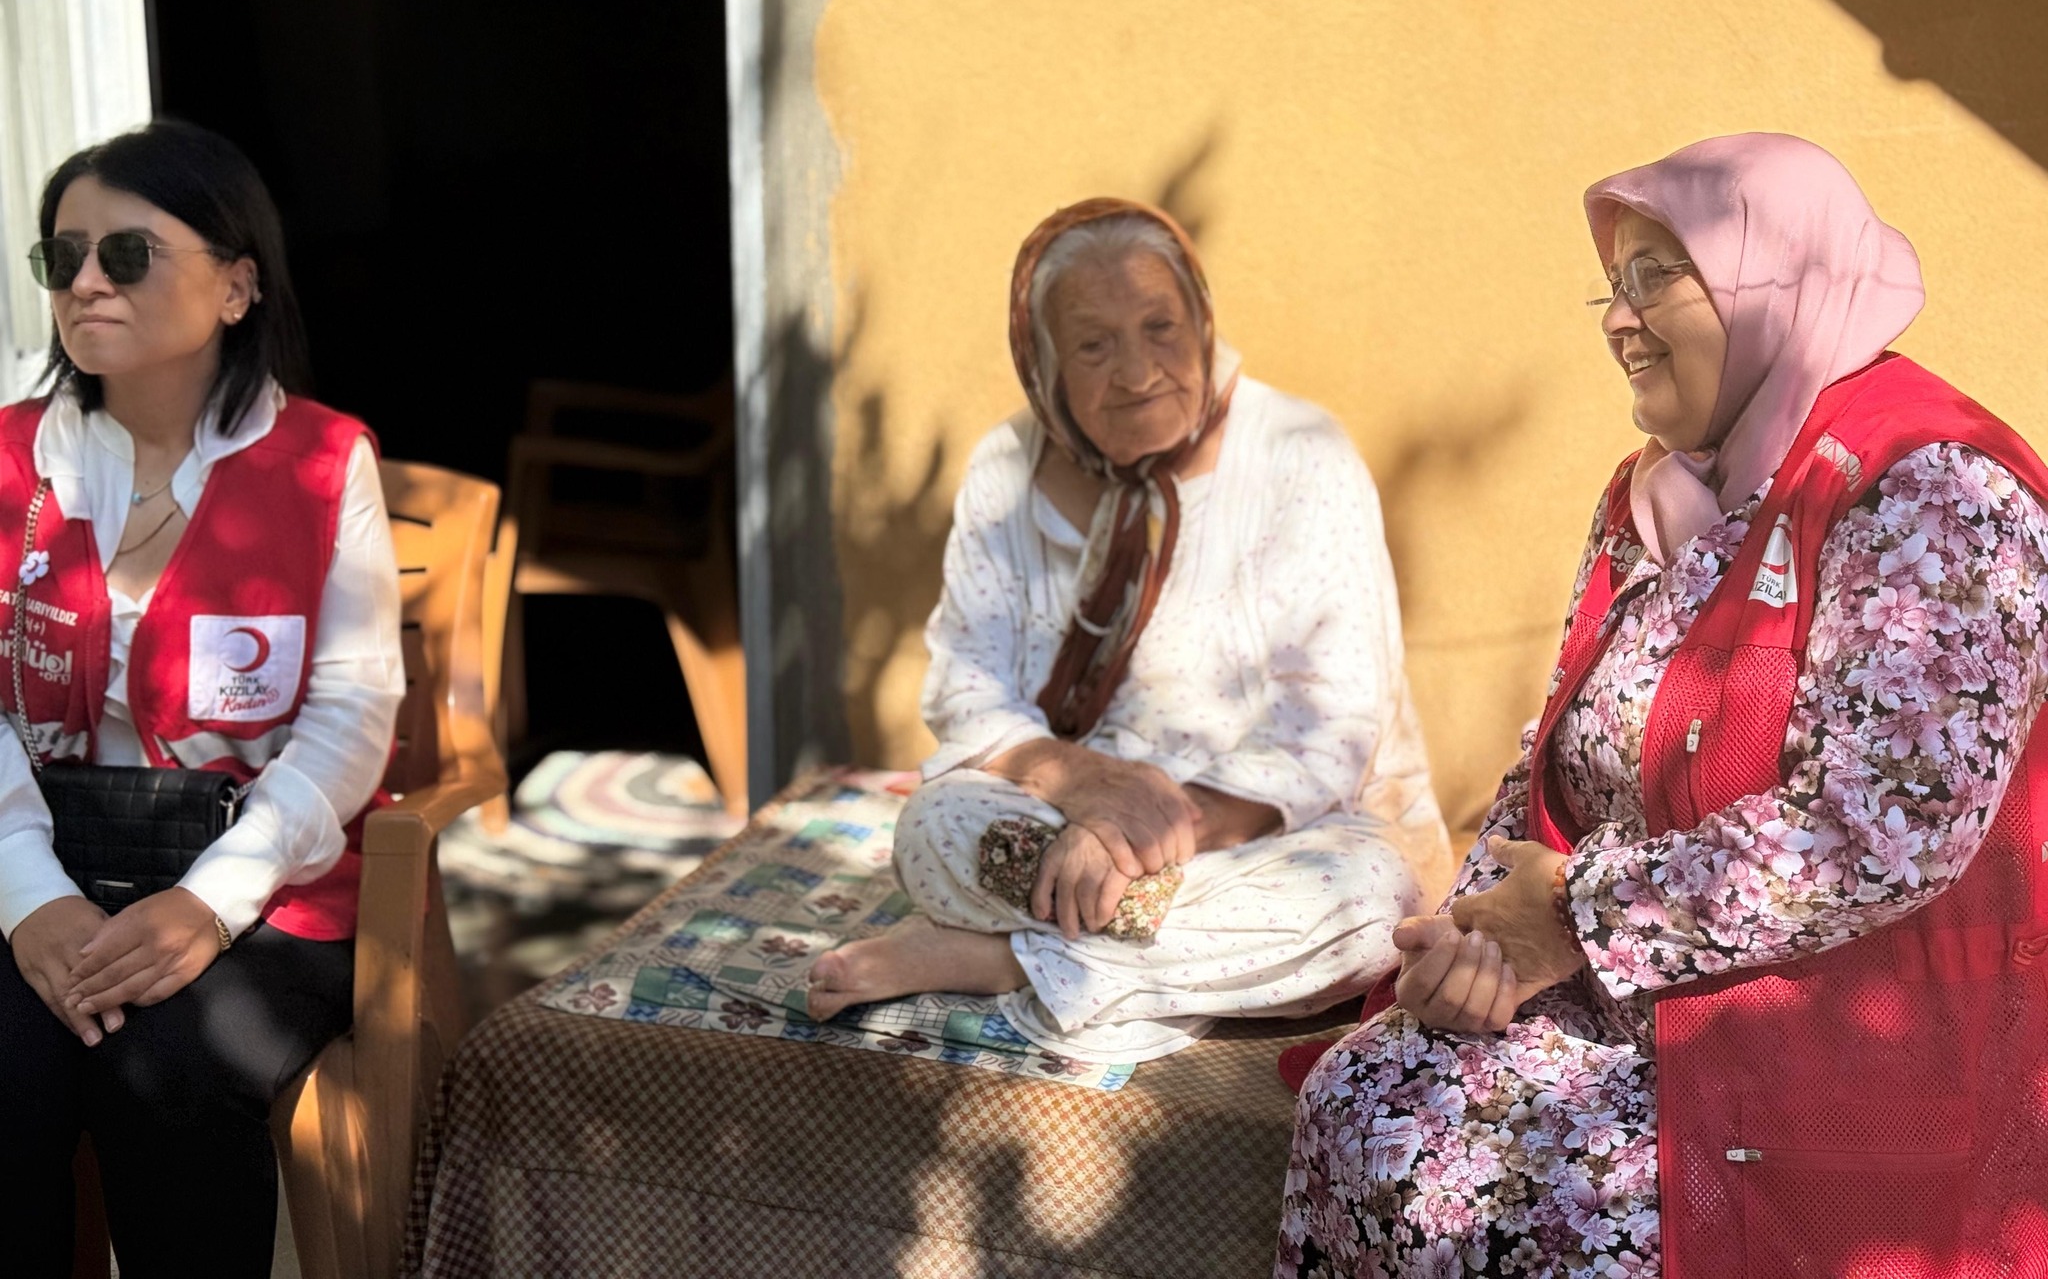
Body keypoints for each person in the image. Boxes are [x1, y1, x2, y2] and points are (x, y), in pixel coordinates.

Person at [1276, 133, 2048, 1277]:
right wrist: (1475, 934)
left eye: (1654, 277)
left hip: (1820, 1049)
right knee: (1365, 1100)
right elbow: (1549, 756)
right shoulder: (1657, 494)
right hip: (1628, 1005)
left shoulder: (1931, 488)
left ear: (1768, 280)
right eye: (1611, 283)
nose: (1618, 320)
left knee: (1491, 1201)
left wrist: (1577, 918)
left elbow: (1884, 829)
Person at [807, 197, 1449, 1062]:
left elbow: (1327, 726)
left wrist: (1146, 834)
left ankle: (1003, 959)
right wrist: (1079, 783)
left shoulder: (1302, 454)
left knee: (1368, 906)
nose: (1139, 371)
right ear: (1042, 361)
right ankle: (1134, 957)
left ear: (1203, 321)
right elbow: (966, 687)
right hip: (1068, 826)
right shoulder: (1007, 470)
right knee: (934, 827)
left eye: (1160, 327)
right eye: (1093, 345)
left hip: (1263, 833)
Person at [0, 121, 404, 1278]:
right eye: (62, 255)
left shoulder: (322, 462)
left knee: (167, 1068)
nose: (84, 282)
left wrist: (207, 903)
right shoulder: (10, 461)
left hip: (259, 885)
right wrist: (29, 897)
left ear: (236, 285)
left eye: (126, 253)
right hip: (40, 858)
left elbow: (349, 718)